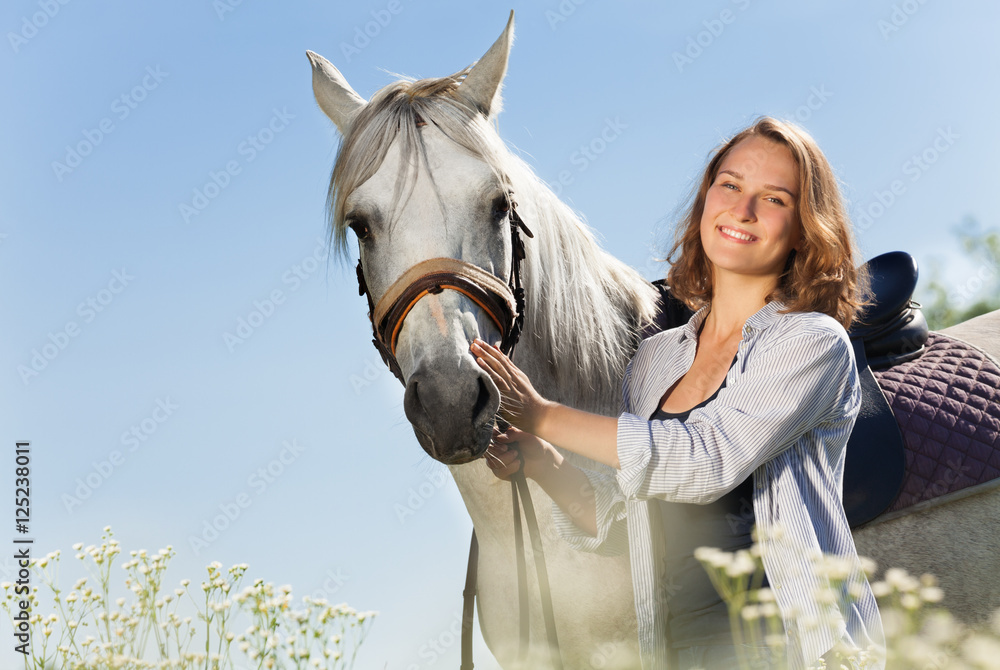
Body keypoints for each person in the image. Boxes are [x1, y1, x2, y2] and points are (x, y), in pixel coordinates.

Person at [470, 117, 885, 669]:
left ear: (805, 227)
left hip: (787, 647)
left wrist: (545, 417)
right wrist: (545, 463)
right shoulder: (655, 357)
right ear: (707, 198)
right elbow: (632, 526)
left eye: (775, 198)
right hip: (674, 650)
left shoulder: (810, 343)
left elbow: (706, 461)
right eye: (730, 185)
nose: (742, 211)